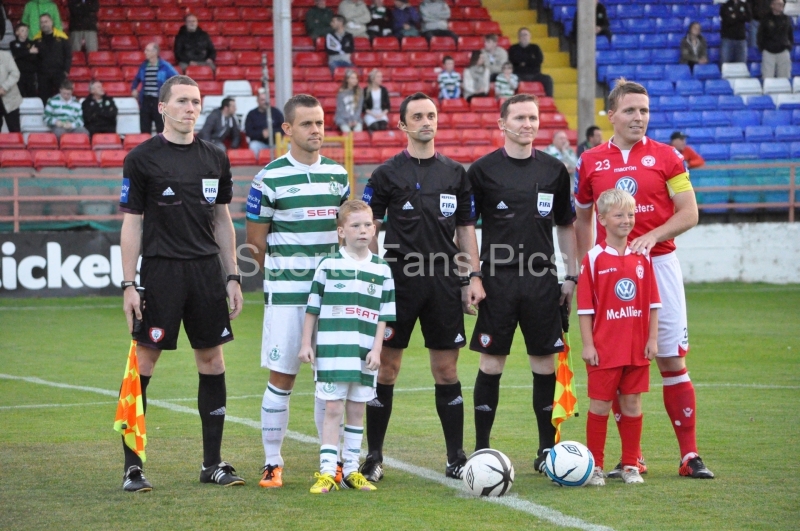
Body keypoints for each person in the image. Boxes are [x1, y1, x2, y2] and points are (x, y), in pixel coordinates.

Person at [575, 78, 715, 480]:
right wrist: (588, 263)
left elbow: (689, 213)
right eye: (631, 110)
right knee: (615, 363)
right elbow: (582, 215)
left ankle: (689, 456)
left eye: (645, 110)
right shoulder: (590, 161)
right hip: (610, 272)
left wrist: (652, 237)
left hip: (658, 266)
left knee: (671, 358)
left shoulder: (668, 157)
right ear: (611, 114)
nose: (640, 117)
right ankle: (629, 458)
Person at [118, 74, 245, 492]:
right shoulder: (141, 159)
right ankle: (133, 467)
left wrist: (232, 275)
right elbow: (132, 224)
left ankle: (213, 464)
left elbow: (223, 220)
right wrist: (128, 284)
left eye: (196, 102)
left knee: (212, 362)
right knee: (143, 365)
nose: (191, 109)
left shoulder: (214, 156)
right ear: (163, 107)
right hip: (161, 272)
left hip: (207, 272)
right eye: (183, 101)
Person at [359, 92, 484, 483]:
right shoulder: (385, 174)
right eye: (418, 116)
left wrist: (473, 277)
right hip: (398, 282)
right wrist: (372, 274)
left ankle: (455, 457)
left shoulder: (455, 173)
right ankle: (374, 455)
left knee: (446, 370)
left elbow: (466, 230)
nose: (427, 121)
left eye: (431, 114)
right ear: (402, 124)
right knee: (388, 368)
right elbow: (370, 227)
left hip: (444, 282)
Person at [467, 93, 578, 471]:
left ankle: (547, 451)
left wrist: (571, 274)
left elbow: (566, 224)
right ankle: (482, 449)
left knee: (544, 364)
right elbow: (465, 228)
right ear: (502, 124)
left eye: (533, 117)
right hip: (496, 280)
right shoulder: (481, 171)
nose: (527, 124)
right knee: (491, 363)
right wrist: (474, 275)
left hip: (542, 279)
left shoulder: (554, 170)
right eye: (519, 118)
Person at [245, 94, 350, 490]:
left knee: (331, 381)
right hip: (288, 295)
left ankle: (333, 463)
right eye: (307, 124)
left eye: (320, 123)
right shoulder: (269, 177)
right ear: (287, 129)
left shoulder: (338, 176)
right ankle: (273, 463)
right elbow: (255, 243)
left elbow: (348, 237)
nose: (317, 131)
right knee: (282, 377)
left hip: (332, 295)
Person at [299, 199, 396, 494]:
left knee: (356, 410)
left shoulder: (382, 269)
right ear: (341, 231)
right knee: (332, 409)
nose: (363, 230)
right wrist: (306, 344)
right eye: (355, 226)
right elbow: (312, 309)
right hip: (331, 353)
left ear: (375, 229)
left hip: (364, 354)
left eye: (368, 225)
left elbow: (384, 315)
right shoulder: (328, 265)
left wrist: (377, 349)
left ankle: (351, 470)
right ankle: (328, 472)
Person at [578, 188, 661, 486]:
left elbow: (653, 303)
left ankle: (630, 466)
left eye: (630, 214)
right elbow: (585, 309)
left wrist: (652, 339)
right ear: (601, 219)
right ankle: (595, 467)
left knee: (632, 406)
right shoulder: (594, 258)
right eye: (619, 215)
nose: (627, 220)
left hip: (636, 347)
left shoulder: (642, 257)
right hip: (604, 348)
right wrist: (588, 344)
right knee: (599, 406)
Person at [131, 42, 179, 134]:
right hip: (145, 100)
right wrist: (134, 89)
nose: (145, 52)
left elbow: (176, 78)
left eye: (148, 50)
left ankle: (162, 147)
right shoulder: (144, 66)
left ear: (155, 52)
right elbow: (136, 79)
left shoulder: (165, 66)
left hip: (159, 100)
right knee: (144, 128)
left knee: (161, 128)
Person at [32, 13, 70, 102]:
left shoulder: (62, 37)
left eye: (46, 21)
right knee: (44, 98)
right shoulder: (36, 39)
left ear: (51, 22)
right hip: (43, 74)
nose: (44, 24)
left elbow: (68, 55)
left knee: (61, 98)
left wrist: (66, 71)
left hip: (59, 73)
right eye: (41, 22)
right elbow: (34, 58)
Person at [509, 28, 553, 98]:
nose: (524, 37)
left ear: (530, 36)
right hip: (518, 75)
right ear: (518, 37)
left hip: (535, 75)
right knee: (511, 80)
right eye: (521, 35)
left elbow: (539, 61)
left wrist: (522, 62)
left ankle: (549, 100)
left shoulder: (535, 48)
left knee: (548, 79)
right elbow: (513, 61)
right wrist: (530, 60)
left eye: (526, 35)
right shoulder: (513, 48)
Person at [757, 0, 793, 80]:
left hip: (783, 51)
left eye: (782, 4)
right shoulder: (765, 19)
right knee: (767, 78)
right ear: (772, 5)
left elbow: (790, 34)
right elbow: (760, 35)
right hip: (769, 52)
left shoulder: (786, 18)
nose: (781, 6)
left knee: (785, 79)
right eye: (778, 4)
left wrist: (789, 46)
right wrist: (763, 48)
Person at [244, 89, 284, 159]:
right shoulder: (251, 114)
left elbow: (283, 128)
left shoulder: (276, 112)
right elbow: (249, 132)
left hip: (275, 143)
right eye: (262, 100)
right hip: (260, 143)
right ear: (257, 101)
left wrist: (271, 132)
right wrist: (261, 134)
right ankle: (256, 168)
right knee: (253, 146)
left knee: (289, 146)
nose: (265, 102)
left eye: (266, 100)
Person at [720, 0, 752, 65]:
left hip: (741, 39)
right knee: (724, 65)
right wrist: (741, 15)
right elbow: (728, 20)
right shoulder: (725, 5)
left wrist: (735, 15)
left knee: (741, 66)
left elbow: (749, 18)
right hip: (728, 39)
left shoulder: (744, 4)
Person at [9, 24, 37, 98]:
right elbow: (16, 55)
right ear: (17, 32)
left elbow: (33, 58)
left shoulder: (32, 43)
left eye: (26, 31)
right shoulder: (13, 44)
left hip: (30, 74)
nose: (25, 33)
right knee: (19, 94)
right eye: (22, 30)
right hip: (19, 74)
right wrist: (29, 52)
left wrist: (23, 54)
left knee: (31, 95)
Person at [0, 44, 21, 132]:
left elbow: (15, 74)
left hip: (9, 98)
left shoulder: (6, 56)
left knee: (14, 129)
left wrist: (4, 87)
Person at [335, 69, 363, 133]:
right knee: (347, 133)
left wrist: (354, 120)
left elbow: (359, 108)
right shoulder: (341, 93)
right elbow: (341, 109)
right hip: (343, 119)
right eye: (352, 78)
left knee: (358, 132)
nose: (355, 80)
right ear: (347, 80)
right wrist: (349, 121)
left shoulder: (360, 92)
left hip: (356, 119)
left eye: (356, 78)